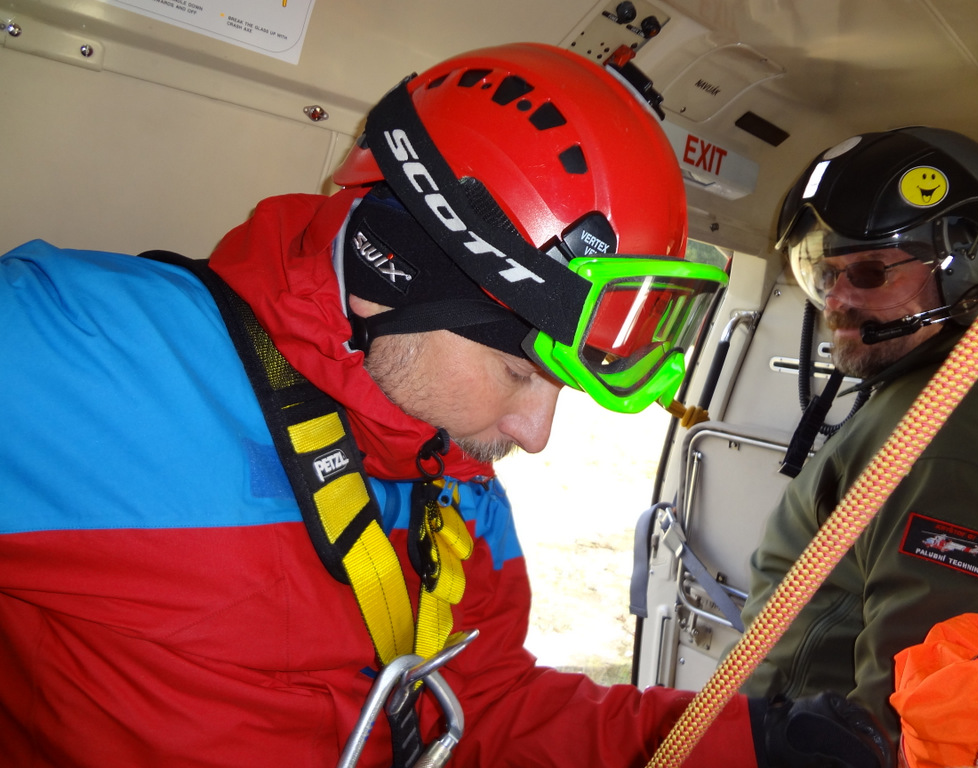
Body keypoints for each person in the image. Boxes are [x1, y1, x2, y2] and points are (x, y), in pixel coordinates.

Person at [0, 43, 889, 768]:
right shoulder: (76, 354)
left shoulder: (453, 479)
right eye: (519, 372)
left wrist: (747, 746)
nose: (535, 436)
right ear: (395, 274)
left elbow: (484, 708)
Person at [740, 126, 978, 741]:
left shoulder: (950, 429)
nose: (835, 300)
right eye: (824, 274)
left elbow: (921, 711)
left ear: (967, 265)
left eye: (870, 273)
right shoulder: (949, 384)